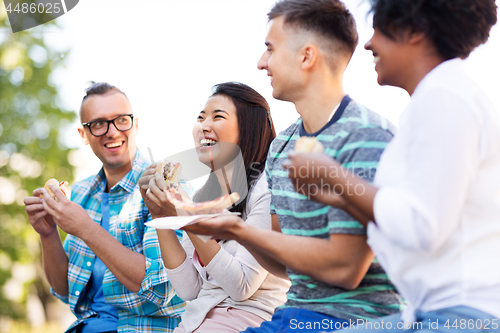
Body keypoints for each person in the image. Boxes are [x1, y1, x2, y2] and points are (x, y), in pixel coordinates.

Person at [182, 1, 404, 332]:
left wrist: (238, 230)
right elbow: (283, 265)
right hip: (297, 315)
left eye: (270, 50)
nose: (261, 63)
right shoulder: (281, 146)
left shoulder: (367, 136)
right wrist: (218, 225)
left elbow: (347, 269)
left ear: (306, 56)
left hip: (354, 321)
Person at [284, 0, 500, 331]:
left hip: (463, 316)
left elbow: (421, 227)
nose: (369, 43)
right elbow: (408, 217)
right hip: (434, 311)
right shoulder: (436, 98)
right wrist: (340, 198)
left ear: (413, 31)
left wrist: (335, 176)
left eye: (380, 30)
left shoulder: (445, 96)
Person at [23, 82, 185, 333]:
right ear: (83, 135)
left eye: (121, 120)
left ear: (136, 124)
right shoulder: (80, 194)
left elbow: (161, 288)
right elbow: (66, 291)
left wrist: (86, 228)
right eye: (98, 124)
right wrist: (48, 234)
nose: (112, 131)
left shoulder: (164, 186)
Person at [138, 82, 290, 333]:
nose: (203, 126)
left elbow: (241, 287)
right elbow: (190, 289)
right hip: (197, 321)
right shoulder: (203, 196)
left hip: (247, 320)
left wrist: (186, 214)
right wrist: (160, 214)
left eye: (217, 117)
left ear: (248, 127)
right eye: (200, 118)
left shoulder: (266, 186)